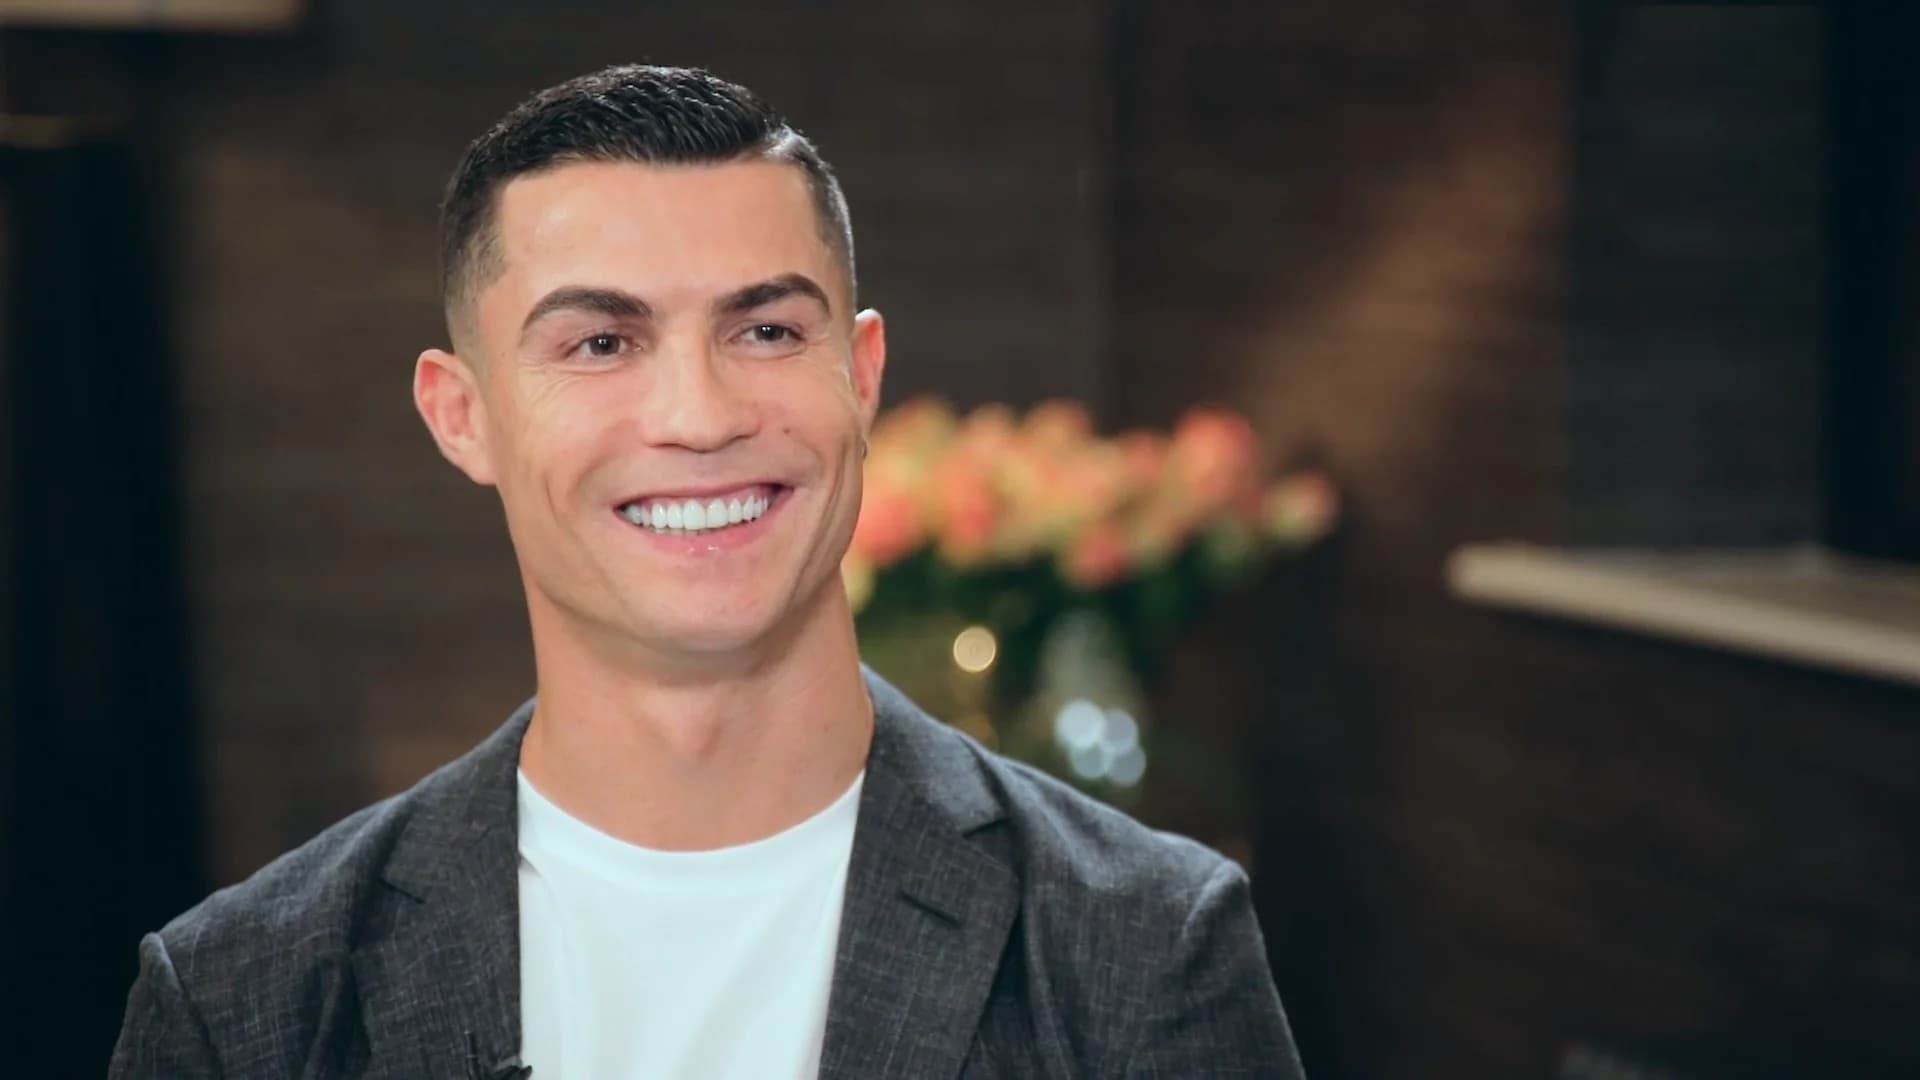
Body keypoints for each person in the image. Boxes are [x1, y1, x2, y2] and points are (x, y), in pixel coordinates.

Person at [108, 64, 1306, 1079]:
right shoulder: (245, 1001)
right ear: (461, 416)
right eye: (600, 342)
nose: (698, 414)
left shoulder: (1145, 949)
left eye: (767, 331)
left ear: (862, 377)